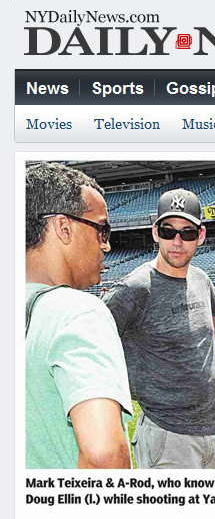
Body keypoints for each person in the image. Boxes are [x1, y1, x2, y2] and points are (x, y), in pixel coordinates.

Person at [104, 188, 215, 469]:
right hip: (166, 435)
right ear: (154, 232)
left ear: (200, 235)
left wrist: (214, 348)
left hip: (214, 430)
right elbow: (91, 338)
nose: (177, 241)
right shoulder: (135, 288)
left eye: (187, 233)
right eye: (168, 231)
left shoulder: (201, 278)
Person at [26, 163, 132, 469]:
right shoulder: (77, 311)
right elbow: (104, 455)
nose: (107, 245)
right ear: (64, 228)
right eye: (101, 229)